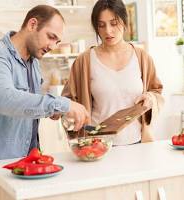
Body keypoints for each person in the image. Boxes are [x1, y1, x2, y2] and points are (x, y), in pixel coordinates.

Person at [0, 5, 89, 200]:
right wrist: (62, 104)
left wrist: (52, 111)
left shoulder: (33, 63)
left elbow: (28, 106)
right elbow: (5, 100)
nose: (53, 46)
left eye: (57, 41)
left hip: (27, 164)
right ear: (32, 24)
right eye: (51, 37)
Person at [62, 0, 164, 146]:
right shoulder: (84, 61)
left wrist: (150, 98)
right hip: (98, 145)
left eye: (114, 23)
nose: (108, 31)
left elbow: (156, 92)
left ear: (124, 21)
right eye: (101, 25)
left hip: (138, 142)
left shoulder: (142, 58)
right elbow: (67, 102)